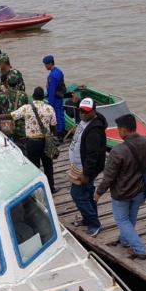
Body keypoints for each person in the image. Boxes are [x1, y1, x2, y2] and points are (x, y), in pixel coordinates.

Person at [94, 114, 146, 260]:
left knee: (122, 220)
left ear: (123, 131)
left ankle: (139, 249)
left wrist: (98, 193)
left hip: (122, 192)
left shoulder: (117, 151)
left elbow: (109, 177)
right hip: (141, 189)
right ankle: (125, 240)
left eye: (118, 129)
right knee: (131, 217)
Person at [0, 87, 60, 194]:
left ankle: (36, 189)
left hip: (31, 142)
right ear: (42, 97)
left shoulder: (26, 108)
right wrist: (54, 137)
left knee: (35, 166)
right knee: (48, 165)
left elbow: (9, 116)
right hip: (45, 142)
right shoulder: (49, 108)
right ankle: (51, 187)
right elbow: (54, 126)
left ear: (33, 96)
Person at [67, 98, 107, 237]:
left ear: (94, 112)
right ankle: (89, 218)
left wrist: (87, 174)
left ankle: (94, 223)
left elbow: (92, 155)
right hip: (79, 166)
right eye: (81, 111)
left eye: (86, 111)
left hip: (85, 169)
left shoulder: (95, 130)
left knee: (77, 195)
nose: (83, 114)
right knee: (88, 193)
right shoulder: (84, 121)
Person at [43, 55, 66, 142]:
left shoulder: (52, 76)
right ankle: (63, 131)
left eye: (45, 64)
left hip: (55, 99)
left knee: (57, 117)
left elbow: (52, 91)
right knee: (61, 114)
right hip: (60, 97)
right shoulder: (59, 71)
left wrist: (50, 105)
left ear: (49, 64)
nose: (45, 66)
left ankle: (59, 135)